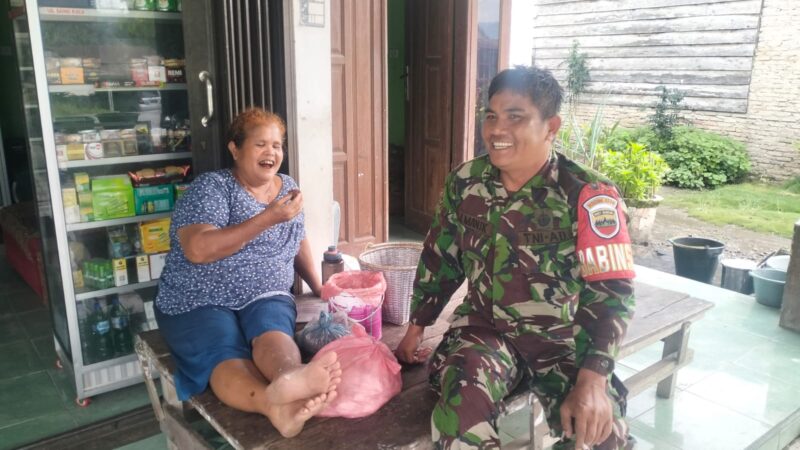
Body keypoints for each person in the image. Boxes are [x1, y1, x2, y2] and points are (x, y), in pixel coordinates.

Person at [396, 66, 636, 449]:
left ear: (551, 126)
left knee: (602, 436)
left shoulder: (588, 195)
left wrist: (594, 379)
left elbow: (611, 291)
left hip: (560, 339)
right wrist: (417, 326)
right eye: (491, 116)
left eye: (515, 117)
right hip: (484, 334)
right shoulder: (465, 183)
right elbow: (441, 259)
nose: (497, 130)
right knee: (458, 420)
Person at [155, 108, 341, 438]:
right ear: (235, 149)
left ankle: (289, 376)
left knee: (272, 329)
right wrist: (267, 218)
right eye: (260, 144)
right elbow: (198, 249)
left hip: (265, 291)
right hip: (201, 295)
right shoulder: (212, 188)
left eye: (277, 145)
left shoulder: (288, 187)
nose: (271, 152)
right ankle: (270, 404)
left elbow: (297, 238)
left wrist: (318, 286)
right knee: (221, 346)